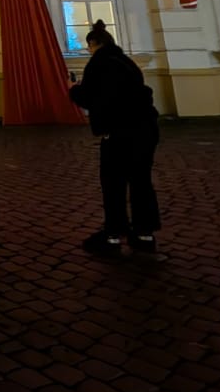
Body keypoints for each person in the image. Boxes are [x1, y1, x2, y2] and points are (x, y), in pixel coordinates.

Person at [68, 19, 160, 256]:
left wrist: (73, 89)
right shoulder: (127, 62)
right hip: (145, 130)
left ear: (93, 43)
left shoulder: (98, 64)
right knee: (141, 182)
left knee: (113, 184)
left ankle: (112, 234)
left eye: (89, 47)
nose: (88, 51)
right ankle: (144, 233)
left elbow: (91, 98)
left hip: (118, 132)